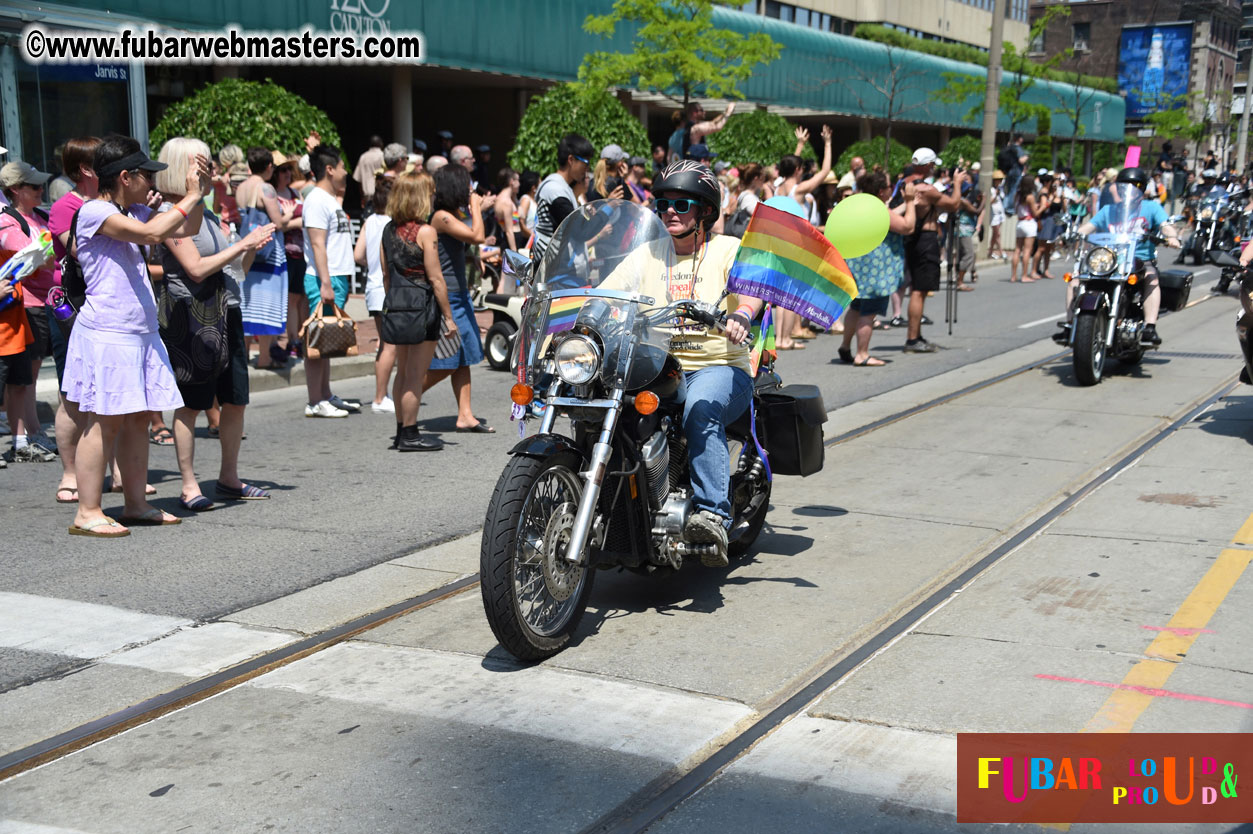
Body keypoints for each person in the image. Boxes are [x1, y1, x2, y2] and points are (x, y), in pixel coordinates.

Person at [616, 160, 763, 566]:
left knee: (701, 410)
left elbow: (751, 289)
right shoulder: (647, 254)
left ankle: (714, 514)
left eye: (682, 205)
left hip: (718, 366)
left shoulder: (727, 250)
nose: (670, 212)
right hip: (655, 365)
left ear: (706, 212)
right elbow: (607, 292)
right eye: (663, 203)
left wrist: (742, 315)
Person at [63, 134, 210, 536]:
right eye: (147, 176)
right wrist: (186, 197)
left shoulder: (139, 209)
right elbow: (150, 236)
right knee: (104, 422)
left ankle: (135, 504)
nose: (153, 183)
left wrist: (201, 193)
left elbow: (188, 227)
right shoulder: (95, 210)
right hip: (108, 333)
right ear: (125, 177)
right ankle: (87, 512)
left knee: (136, 421)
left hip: (137, 332)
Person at [155, 137, 275, 511]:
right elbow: (195, 268)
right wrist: (241, 246)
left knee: (235, 400)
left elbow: (234, 270)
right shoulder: (173, 215)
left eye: (208, 165)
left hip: (228, 310)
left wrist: (251, 245)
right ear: (180, 167)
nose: (209, 173)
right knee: (192, 402)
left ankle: (228, 476)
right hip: (192, 316)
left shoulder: (207, 214)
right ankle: (189, 485)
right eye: (201, 165)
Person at [1062, 167, 1181, 347]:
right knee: (1075, 280)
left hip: (1139, 259)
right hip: (1108, 260)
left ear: (1141, 189)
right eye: (1124, 186)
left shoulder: (1151, 207)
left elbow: (1165, 225)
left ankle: (1150, 326)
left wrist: (1171, 236)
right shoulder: (1109, 210)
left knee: (1151, 278)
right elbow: (1089, 227)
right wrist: (1073, 234)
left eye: (1134, 186)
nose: (1128, 190)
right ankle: (1070, 324)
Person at [379, 173, 453, 452]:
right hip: (423, 308)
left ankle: (401, 430)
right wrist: (448, 316)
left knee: (403, 372)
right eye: (430, 193)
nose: (433, 197)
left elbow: (386, 275)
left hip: (397, 305)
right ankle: (410, 434)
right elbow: (436, 279)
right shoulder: (426, 232)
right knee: (415, 375)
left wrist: (394, 302)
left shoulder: (387, 230)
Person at [421, 164, 494, 432]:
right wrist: (476, 206)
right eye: (466, 185)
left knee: (464, 356)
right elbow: (477, 235)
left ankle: (465, 414)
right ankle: (409, 392)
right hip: (447, 297)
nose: (469, 190)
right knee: (447, 361)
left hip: (460, 294)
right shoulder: (440, 216)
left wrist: (472, 258)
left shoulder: (453, 215)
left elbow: (463, 244)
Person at [0, 160, 59, 463]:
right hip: (28, 305)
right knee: (27, 375)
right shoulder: (8, 222)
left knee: (30, 373)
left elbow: (49, 254)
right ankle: (30, 432)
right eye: (34, 186)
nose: (40, 190)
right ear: (15, 191)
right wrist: (47, 253)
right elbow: (30, 261)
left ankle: (31, 432)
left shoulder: (39, 216)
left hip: (47, 301)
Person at [302, 143, 362, 418]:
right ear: (329, 169)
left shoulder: (328, 198)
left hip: (335, 276)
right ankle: (315, 400)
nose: (345, 171)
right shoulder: (315, 200)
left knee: (326, 340)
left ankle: (325, 394)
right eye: (340, 166)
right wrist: (325, 283)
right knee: (318, 339)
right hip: (323, 278)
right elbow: (317, 245)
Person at [839, 172, 916, 367]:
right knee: (869, 312)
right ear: (881, 191)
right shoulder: (879, 209)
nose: (892, 189)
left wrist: (903, 205)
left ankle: (846, 346)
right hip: (876, 272)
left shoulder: (860, 206)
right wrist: (911, 202)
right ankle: (862, 354)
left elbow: (890, 217)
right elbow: (907, 227)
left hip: (858, 267)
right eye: (889, 186)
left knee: (856, 307)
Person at [774, 125, 833, 349]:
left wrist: (799, 145)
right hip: (797, 246)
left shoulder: (778, 186)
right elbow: (825, 172)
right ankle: (786, 338)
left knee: (781, 296)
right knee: (792, 296)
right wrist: (827, 143)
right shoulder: (798, 190)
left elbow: (790, 166)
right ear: (798, 169)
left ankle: (780, 338)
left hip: (780, 243)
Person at [902, 148, 963, 352]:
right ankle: (912, 339)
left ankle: (916, 335)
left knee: (918, 290)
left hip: (911, 240)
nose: (933, 169)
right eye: (932, 165)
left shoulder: (904, 183)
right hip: (925, 240)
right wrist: (957, 183)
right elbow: (953, 205)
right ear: (927, 166)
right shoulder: (926, 189)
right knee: (919, 291)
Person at [235, 147, 288, 368]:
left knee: (246, 303)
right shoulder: (265, 188)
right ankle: (264, 357)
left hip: (246, 249)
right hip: (267, 251)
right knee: (266, 303)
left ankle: (245, 353)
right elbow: (278, 222)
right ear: (269, 167)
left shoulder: (241, 187)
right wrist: (293, 214)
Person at [354, 174, 397, 414]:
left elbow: (358, 255)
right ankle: (380, 396)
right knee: (389, 345)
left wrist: (371, 263)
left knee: (385, 344)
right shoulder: (392, 223)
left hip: (372, 288)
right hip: (386, 288)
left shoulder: (370, 221)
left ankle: (383, 394)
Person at [532, 133, 593, 262]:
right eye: (585, 163)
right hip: (553, 272)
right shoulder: (555, 190)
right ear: (571, 160)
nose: (587, 169)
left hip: (557, 269)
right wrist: (608, 209)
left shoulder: (562, 188)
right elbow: (580, 231)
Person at [1011, 174, 1040, 283]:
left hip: (1020, 222)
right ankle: (1024, 275)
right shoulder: (1030, 197)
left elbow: (1015, 208)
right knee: (1027, 250)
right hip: (1029, 223)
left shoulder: (1017, 195)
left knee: (1017, 250)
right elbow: (1035, 213)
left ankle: (1013, 276)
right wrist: (1042, 207)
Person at [353, 135, 385, 209]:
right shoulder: (383, 156)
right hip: (381, 194)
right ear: (381, 144)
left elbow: (359, 179)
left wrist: (362, 197)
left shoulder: (363, 157)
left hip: (367, 194)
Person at [516, 170, 540, 244]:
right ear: (533, 188)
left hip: (533, 240)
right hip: (527, 241)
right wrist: (532, 235)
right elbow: (520, 222)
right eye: (540, 183)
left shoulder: (534, 200)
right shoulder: (526, 200)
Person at [987, 170, 1007, 260]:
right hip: (993, 214)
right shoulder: (991, 190)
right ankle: (1001, 251)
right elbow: (989, 202)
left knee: (996, 235)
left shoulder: (1000, 189)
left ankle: (991, 252)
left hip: (1000, 213)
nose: (999, 181)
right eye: (998, 179)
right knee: (997, 234)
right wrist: (995, 194)